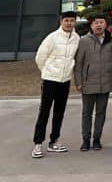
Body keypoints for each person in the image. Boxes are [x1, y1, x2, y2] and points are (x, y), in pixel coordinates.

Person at [31, 11, 80, 159]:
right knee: (44, 111)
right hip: (50, 80)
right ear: (61, 21)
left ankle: (54, 141)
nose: (69, 23)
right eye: (66, 20)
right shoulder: (52, 38)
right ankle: (38, 143)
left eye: (72, 21)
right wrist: (47, 71)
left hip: (65, 81)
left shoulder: (76, 38)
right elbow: (40, 57)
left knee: (59, 112)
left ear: (75, 22)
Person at [75, 14, 112, 151]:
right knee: (87, 113)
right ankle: (85, 140)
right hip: (88, 83)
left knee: (101, 113)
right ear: (91, 25)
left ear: (105, 24)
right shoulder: (84, 41)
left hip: (105, 82)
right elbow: (79, 63)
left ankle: (97, 139)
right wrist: (79, 82)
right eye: (95, 23)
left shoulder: (111, 40)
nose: (98, 25)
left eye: (101, 22)